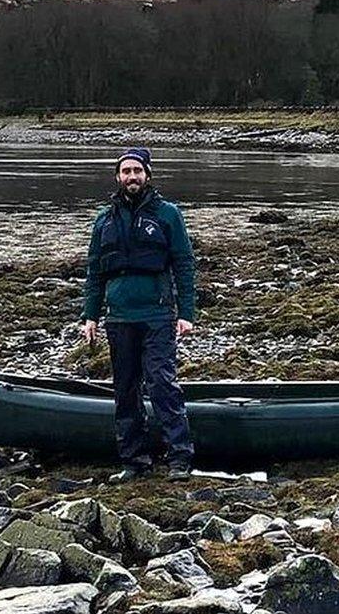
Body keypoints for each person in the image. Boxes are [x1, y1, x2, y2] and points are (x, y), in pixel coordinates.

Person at [81, 147, 196, 482]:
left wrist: (186, 312)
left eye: (137, 171)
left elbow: (184, 265)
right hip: (119, 318)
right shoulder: (104, 219)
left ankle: (179, 458)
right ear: (118, 177)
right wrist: (90, 315)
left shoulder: (168, 214)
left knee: (162, 383)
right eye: (126, 171)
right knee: (125, 389)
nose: (132, 177)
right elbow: (94, 271)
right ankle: (134, 460)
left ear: (148, 175)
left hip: (157, 315)